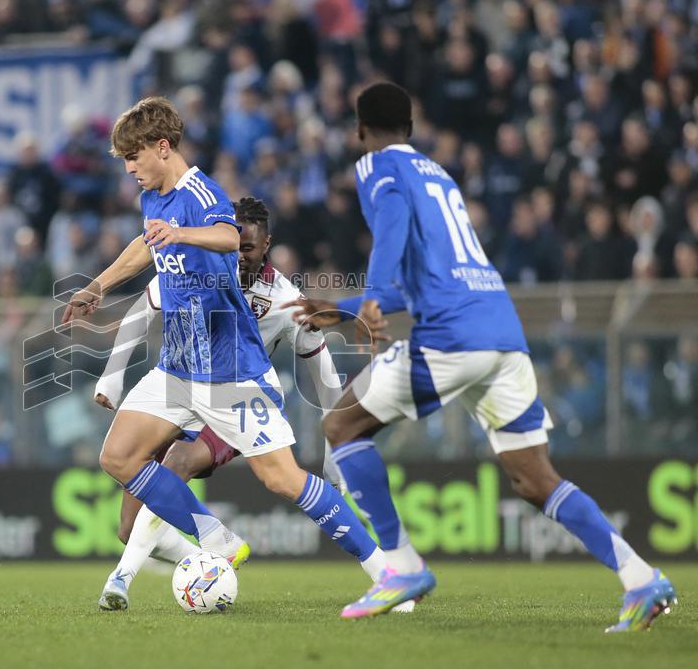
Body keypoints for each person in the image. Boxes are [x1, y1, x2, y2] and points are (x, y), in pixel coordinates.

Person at [287, 82, 676, 630]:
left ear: (359, 129)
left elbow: (392, 229)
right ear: (413, 128)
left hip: (452, 337)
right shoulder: (438, 174)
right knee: (534, 479)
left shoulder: (377, 167)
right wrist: (353, 308)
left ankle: (400, 567)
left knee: (342, 425)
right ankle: (642, 579)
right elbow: (430, 280)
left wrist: (370, 296)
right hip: (501, 333)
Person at [63, 97, 387, 615]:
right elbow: (145, 246)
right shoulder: (152, 197)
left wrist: (182, 234)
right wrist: (97, 286)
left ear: (162, 148)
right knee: (118, 457)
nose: (128, 169)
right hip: (177, 365)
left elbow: (227, 235)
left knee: (283, 479)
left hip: (229, 371)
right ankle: (215, 539)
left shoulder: (200, 191)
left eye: (133, 157)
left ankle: (384, 571)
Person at [93, 197, 401, 610]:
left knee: (187, 462)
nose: (238, 257)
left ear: (267, 244)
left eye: (249, 249)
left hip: (241, 391)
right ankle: (207, 564)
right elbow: (142, 309)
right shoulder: (195, 267)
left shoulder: (283, 299)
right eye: (232, 246)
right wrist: (112, 378)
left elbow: (324, 373)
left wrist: (335, 449)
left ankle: (121, 579)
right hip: (183, 383)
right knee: (129, 527)